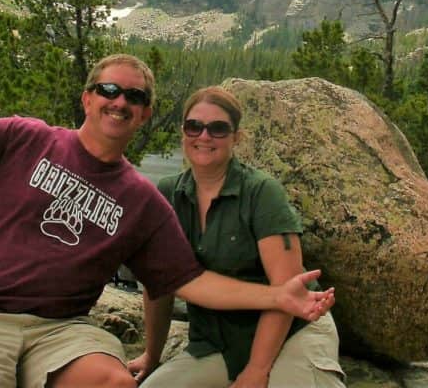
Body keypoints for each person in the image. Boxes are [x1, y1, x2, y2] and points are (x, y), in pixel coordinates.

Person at [0, 46, 335, 388]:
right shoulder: (26, 139)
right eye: (109, 90)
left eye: (134, 97)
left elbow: (184, 281)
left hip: (63, 333)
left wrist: (276, 296)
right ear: (88, 97)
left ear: (144, 114)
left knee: (114, 384)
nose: (119, 102)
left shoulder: (143, 201)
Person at [128, 86, 346, 388]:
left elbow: (287, 291)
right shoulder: (168, 195)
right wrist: (152, 356)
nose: (204, 137)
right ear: (183, 132)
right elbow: (159, 285)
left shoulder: (261, 193)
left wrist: (256, 371)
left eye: (218, 129)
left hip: (292, 330)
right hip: (218, 340)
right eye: (194, 126)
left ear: (236, 136)